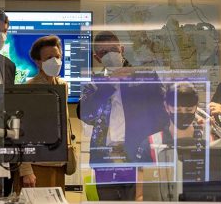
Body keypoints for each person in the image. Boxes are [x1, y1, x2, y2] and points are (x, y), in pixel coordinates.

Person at [77, 31, 167, 200]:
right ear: (97, 58)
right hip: (105, 160)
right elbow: (85, 114)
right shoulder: (94, 83)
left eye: (113, 49)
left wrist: (149, 147)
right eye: (104, 53)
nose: (110, 55)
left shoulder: (145, 76)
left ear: (122, 49)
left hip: (137, 158)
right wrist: (109, 83)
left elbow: (161, 116)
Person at [15, 35, 68, 194]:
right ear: (38, 62)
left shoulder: (62, 85)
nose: (55, 61)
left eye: (58, 56)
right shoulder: (30, 88)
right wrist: (26, 170)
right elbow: (21, 131)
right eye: (49, 57)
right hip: (37, 166)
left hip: (59, 164)